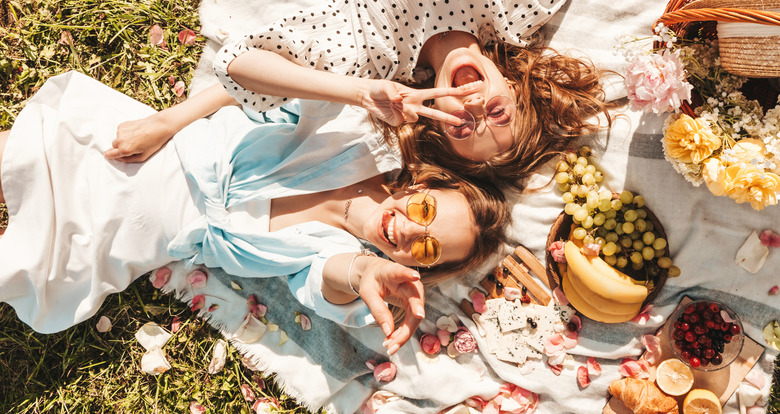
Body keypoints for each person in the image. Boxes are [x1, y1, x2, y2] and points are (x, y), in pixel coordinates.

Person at [0, 72, 507, 354]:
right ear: (422, 184)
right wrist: (168, 120)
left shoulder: (338, 255)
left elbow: (326, 283)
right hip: (149, 156)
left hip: (126, 240)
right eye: (424, 209)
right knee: (21, 159)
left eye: (426, 248)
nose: (410, 230)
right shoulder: (355, 134)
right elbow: (255, 79)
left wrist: (366, 270)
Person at [105, 0, 615, 189]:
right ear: (514, 87)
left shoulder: (375, 57)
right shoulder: (520, 6)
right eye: (497, 112)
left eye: (463, 125)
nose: (472, 104)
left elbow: (240, 62)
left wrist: (357, 92)